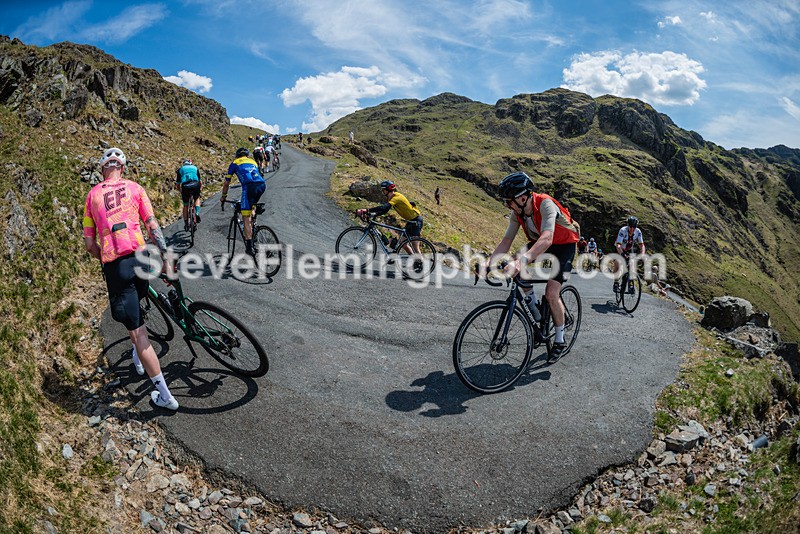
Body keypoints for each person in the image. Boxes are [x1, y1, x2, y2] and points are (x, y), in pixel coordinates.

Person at [82, 147, 179, 410]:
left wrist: (105, 257)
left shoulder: (92, 196)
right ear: (121, 168)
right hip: (142, 258)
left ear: (103, 169)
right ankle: (138, 359)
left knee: (137, 331)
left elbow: (90, 244)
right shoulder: (135, 188)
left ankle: (165, 396)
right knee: (138, 305)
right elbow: (152, 225)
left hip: (117, 264)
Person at [485, 171, 580, 361]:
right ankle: (535, 309)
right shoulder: (516, 213)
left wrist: (522, 261)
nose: (507, 205)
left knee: (552, 293)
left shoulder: (545, 204)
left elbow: (546, 238)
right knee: (513, 266)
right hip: (542, 243)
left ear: (522, 198)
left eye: (509, 200)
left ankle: (559, 341)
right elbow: (506, 241)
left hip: (563, 245)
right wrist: (488, 263)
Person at [356, 180, 424, 254]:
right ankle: (415, 260)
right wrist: (373, 214)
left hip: (416, 221)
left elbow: (384, 207)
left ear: (386, 190)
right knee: (403, 244)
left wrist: (366, 210)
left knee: (415, 247)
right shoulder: (391, 198)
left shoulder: (396, 197)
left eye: (383, 190)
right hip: (411, 221)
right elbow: (385, 211)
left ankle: (421, 263)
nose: (382, 192)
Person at [221, 147, 266, 255]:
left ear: (237, 155)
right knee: (251, 206)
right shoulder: (253, 161)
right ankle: (253, 227)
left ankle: (249, 246)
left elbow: (227, 183)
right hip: (262, 185)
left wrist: (223, 196)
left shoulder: (234, 163)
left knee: (245, 216)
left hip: (249, 187)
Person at [613, 216, 646, 294]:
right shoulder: (622, 230)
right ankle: (616, 282)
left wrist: (642, 254)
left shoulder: (638, 232)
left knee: (632, 266)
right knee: (618, 264)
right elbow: (618, 245)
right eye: (630, 227)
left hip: (629, 249)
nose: (632, 229)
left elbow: (642, 245)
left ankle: (631, 284)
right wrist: (622, 255)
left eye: (634, 227)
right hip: (620, 248)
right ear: (627, 225)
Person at [175, 158, 202, 231]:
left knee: (186, 205)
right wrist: (200, 188)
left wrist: (180, 191)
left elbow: (177, 184)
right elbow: (200, 181)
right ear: (190, 163)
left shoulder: (180, 169)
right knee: (197, 198)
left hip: (185, 187)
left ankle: (186, 223)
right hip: (195, 185)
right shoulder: (195, 168)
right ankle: (197, 212)